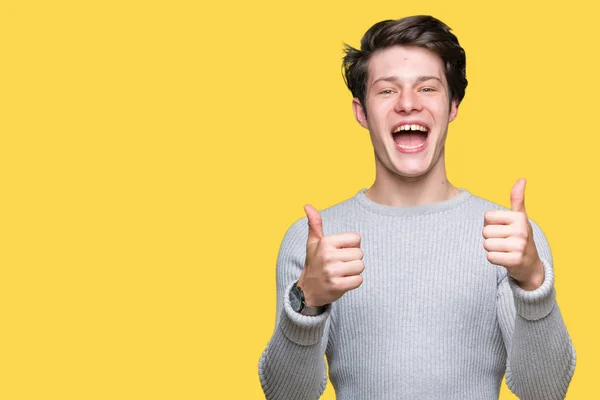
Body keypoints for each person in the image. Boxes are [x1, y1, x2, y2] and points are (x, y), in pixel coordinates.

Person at [258, 15, 576, 400]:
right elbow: (287, 396)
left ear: (453, 105)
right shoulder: (316, 242)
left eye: (427, 88)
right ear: (361, 112)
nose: (408, 104)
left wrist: (532, 284)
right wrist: (306, 302)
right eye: (387, 91)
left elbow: (545, 392)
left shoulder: (510, 238)